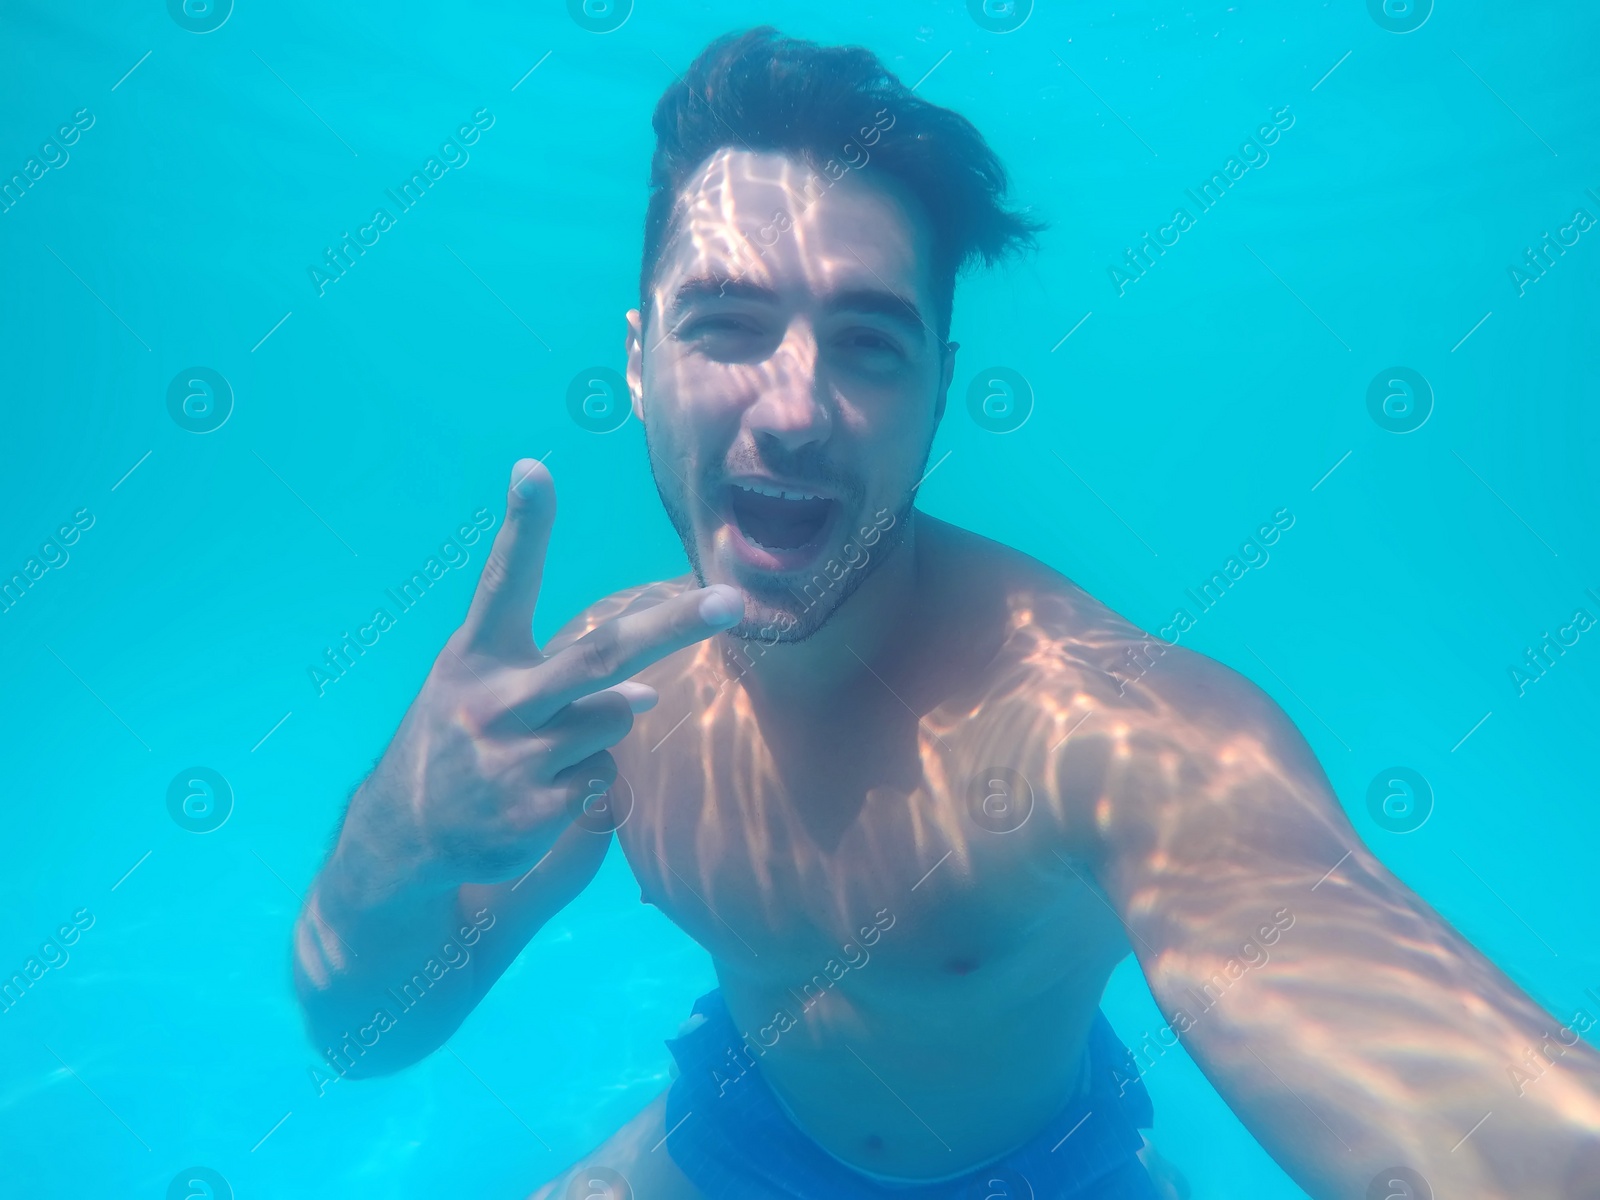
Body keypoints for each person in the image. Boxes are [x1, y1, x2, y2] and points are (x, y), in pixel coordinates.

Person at [292, 26, 1600, 1200]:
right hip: (743, 1125)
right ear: (638, 361)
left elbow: (1464, 1101)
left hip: (1040, 1171)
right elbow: (367, 1039)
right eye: (728, 322)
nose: (794, 408)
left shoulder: (1105, 726)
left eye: (870, 340)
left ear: (939, 390)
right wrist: (397, 842)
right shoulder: (617, 694)